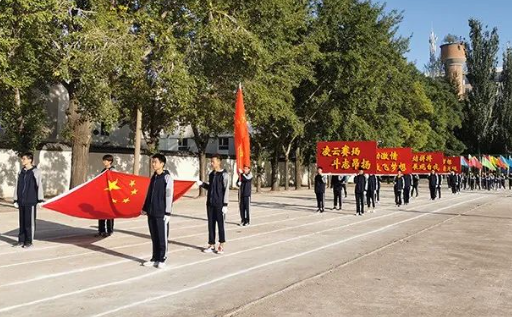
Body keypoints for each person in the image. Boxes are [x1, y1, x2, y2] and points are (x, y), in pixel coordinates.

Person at [141, 154, 174, 269]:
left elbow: (169, 195)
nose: (153, 164)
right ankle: (154, 258)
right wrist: (145, 208)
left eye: (155, 162)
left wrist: (168, 212)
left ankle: (162, 258)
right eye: (152, 162)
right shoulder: (153, 177)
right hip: (151, 212)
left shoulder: (167, 177)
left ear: (162, 164)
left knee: (162, 237)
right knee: (154, 236)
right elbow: (149, 193)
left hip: (161, 213)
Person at [197, 154, 229, 254]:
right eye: (211, 161)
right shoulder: (211, 174)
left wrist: (225, 204)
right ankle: (211, 244)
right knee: (211, 225)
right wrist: (202, 184)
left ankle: (221, 245)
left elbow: (226, 190)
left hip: (219, 204)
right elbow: (210, 188)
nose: (211, 163)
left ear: (219, 162)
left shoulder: (224, 175)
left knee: (220, 225)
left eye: (213, 161)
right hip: (210, 204)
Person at [13, 152, 44, 248]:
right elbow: (17, 186)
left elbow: (40, 186)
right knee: (22, 222)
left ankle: (29, 241)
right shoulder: (21, 172)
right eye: (22, 159)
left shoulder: (36, 172)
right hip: (21, 201)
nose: (22, 160)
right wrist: (15, 199)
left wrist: (40, 199)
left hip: (30, 201)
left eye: (24, 159)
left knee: (29, 223)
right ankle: (21, 240)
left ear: (30, 160)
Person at [97, 154, 116, 237]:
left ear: (110, 162)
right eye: (103, 160)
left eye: (106, 160)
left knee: (109, 214)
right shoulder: (103, 170)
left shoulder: (113, 171)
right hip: (103, 195)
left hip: (110, 196)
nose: (104, 162)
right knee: (101, 213)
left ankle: (110, 230)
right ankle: (101, 230)